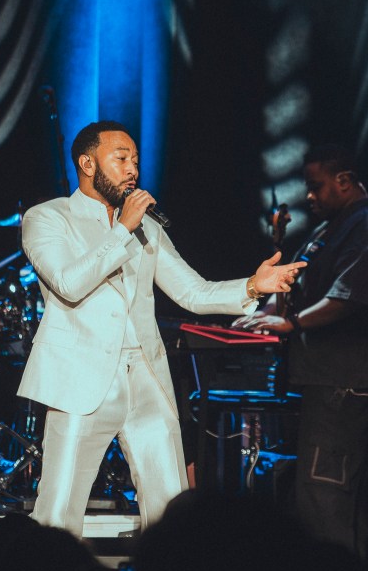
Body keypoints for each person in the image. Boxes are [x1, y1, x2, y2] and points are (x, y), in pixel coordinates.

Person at [17, 120, 304, 538]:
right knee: (57, 513)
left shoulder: (147, 227)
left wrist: (252, 286)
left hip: (147, 377)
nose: (132, 169)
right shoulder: (48, 217)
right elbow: (68, 284)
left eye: (135, 160)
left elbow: (192, 292)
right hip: (81, 380)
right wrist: (122, 230)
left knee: (172, 510)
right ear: (87, 163)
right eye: (121, 159)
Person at [235, 143, 368, 560]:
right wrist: (259, 316)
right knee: (312, 494)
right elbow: (299, 292)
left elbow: (349, 298)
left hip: (344, 385)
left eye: (316, 185)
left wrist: (291, 323)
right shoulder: (330, 229)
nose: (309, 195)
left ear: (344, 181)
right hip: (323, 382)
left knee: (326, 495)